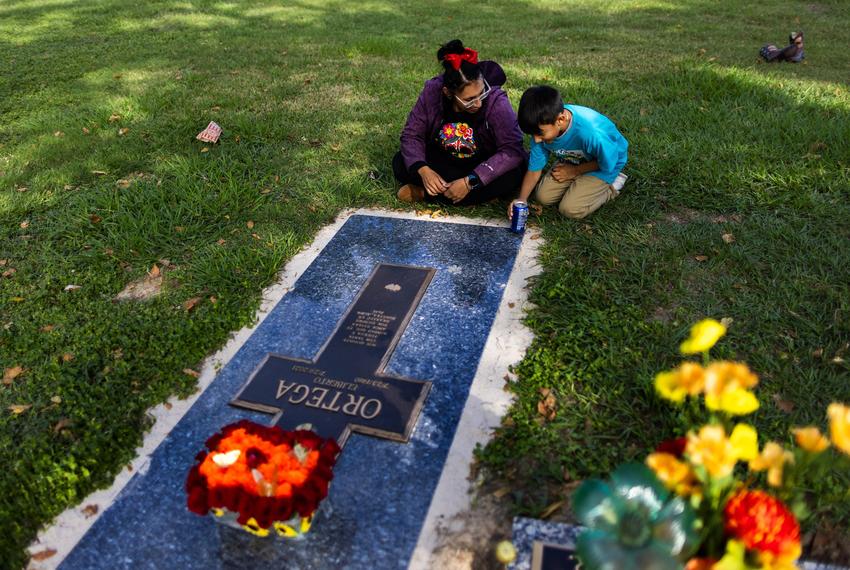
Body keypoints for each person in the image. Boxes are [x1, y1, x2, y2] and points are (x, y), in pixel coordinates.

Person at [394, 40, 526, 205]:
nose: (478, 103)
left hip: (481, 164)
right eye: (469, 100)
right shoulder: (432, 92)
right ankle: (477, 197)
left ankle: (426, 194)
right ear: (448, 93)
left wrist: (470, 181)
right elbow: (412, 135)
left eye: (481, 93)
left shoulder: (496, 100)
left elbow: (512, 149)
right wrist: (424, 170)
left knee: (513, 174)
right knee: (401, 162)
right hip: (444, 158)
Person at [508, 85, 628, 220]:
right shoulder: (542, 126)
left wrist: (574, 171)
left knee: (569, 209)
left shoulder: (591, 133)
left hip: (607, 161)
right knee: (543, 197)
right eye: (532, 134)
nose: (536, 139)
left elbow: (607, 162)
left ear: (561, 120)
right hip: (574, 159)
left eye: (540, 133)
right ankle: (579, 181)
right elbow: (534, 170)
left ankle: (612, 186)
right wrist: (522, 199)